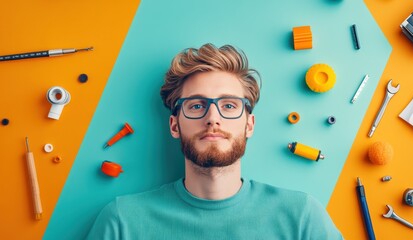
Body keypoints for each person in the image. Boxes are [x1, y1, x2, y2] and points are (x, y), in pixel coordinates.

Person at [86, 43, 343, 239]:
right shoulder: (123, 221)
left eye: (229, 105)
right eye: (196, 105)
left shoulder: (301, 217)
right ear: (175, 125)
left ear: (249, 124)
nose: (212, 118)